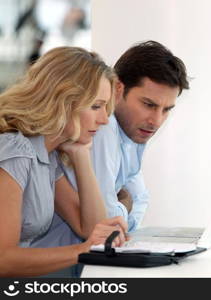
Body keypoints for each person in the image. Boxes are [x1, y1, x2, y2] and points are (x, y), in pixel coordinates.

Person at [33, 40, 190, 247]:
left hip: (77, 261)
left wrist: (123, 207)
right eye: (148, 105)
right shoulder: (100, 130)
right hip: (62, 263)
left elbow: (139, 199)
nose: (157, 121)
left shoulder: (133, 133)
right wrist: (125, 205)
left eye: (167, 109)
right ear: (118, 89)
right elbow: (103, 226)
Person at [0, 46, 128, 277]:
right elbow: (3, 259)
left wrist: (81, 156)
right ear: (63, 100)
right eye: (96, 106)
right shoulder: (14, 150)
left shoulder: (46, 154)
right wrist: (82, 250)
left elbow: (89, 228)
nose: (103, 120)